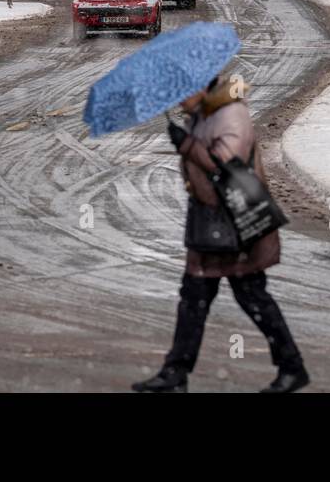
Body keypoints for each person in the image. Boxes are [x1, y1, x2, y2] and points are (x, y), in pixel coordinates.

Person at [132, 74, 308, 394]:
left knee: (252, 297)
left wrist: (186, 144)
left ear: (203, 85)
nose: (179, 97)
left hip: (238, 224)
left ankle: (292, 367)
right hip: (210, 223)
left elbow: (226, 163)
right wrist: (187, 140)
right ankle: (175, 371)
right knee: (193, 298)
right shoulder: (203, 114)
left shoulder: (231, 114)